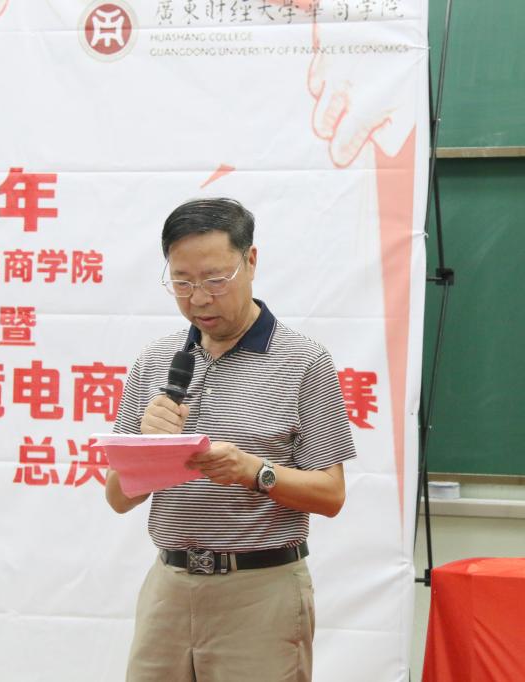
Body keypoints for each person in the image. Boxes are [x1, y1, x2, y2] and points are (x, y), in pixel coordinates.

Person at [106, 197, 356, 682]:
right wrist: (146, 447)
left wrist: (255, 472)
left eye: (215, 279)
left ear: (251, 261)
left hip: (260, 592)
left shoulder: (304, 361)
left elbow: (331, 495)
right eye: (181, 282)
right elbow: (117, 498)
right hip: (168, 588)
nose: (198, 299)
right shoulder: (154, 361)